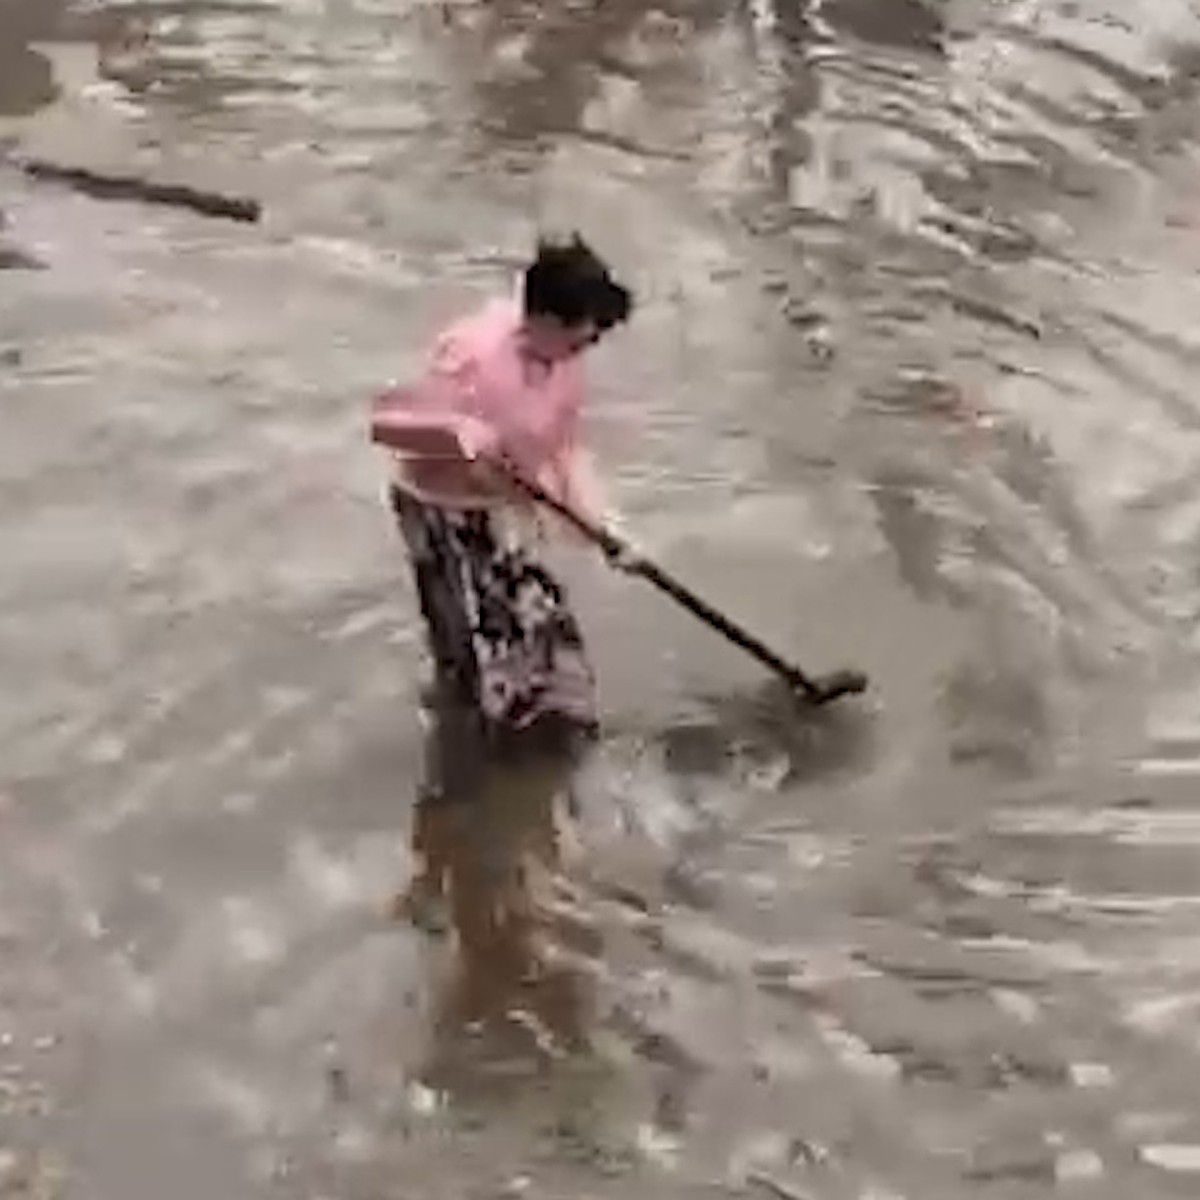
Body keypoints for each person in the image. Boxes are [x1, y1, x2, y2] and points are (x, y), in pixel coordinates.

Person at [373, 232, 639, 752]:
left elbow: (564, 451)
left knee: (547, 635)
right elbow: (385, 423)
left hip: (508, 508)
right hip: (442, 512)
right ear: (545, 320)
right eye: (583, 336)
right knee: (477, 653)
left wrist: (605, 529)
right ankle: (473, 761)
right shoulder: (469, 353)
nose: (587, 348)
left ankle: (557, 746)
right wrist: (455, 438)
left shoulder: (564, 361)